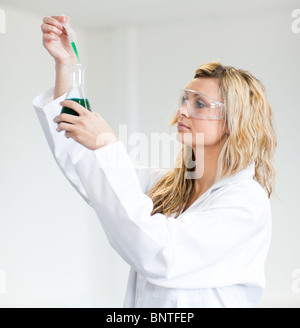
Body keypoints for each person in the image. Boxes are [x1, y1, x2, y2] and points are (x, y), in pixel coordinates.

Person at [33, 15, 277, 308]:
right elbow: (89, 168)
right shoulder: (168, 186)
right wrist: (68, 68)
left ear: (232, 122)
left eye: (199, 103)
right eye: (185, 99)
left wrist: (110, 146)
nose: (183, 110)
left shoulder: (245, 202)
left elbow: (162, 254)